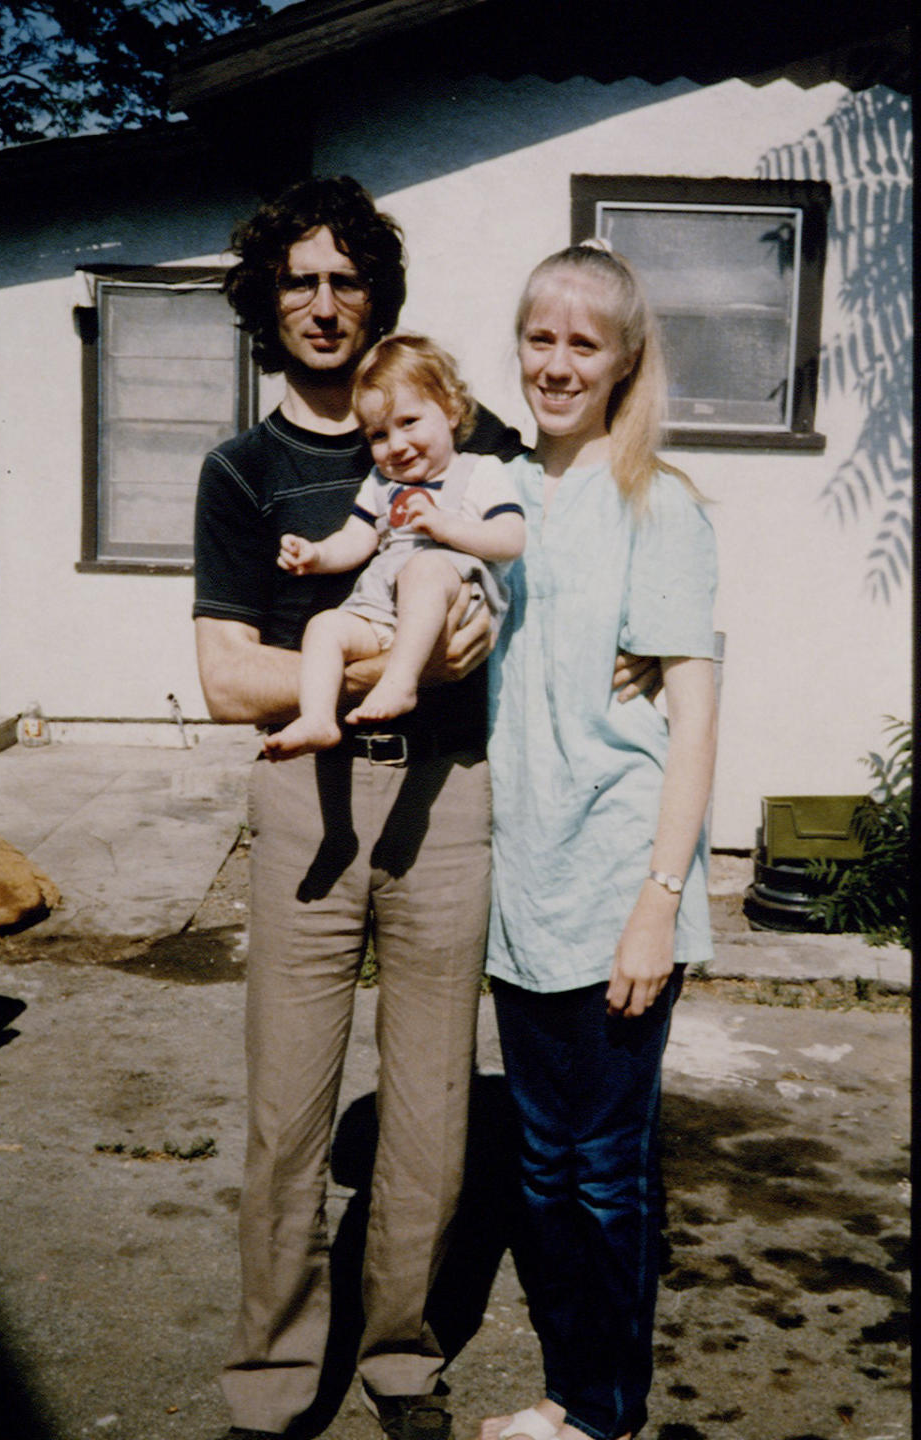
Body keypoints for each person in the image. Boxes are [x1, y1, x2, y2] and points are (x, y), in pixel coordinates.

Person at [193, 175, 657, 1440]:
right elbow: (229, 675)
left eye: (348, 279)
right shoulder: (243, 472)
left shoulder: (462, 433)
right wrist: (386, 659)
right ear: (267, 301)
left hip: (452, 806)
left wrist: (641, 655)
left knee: (434, 1109)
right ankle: (276, 1379)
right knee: (289, 1113)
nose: (326, 303)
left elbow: (561, 561)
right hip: (307, 803)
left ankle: (401, 1358)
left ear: (377, 295)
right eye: (301, 280)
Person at [478, 241, 718, 1440]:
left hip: (621, 885)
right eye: (540, 337)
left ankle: (604, 1414)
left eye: (585, 343)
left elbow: (698, 715)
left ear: (624, 362)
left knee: (602, 1170)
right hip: (524, 890)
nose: (558, 362)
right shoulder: (503, 493)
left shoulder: (658, 502)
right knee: (539, 1165)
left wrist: (659, 898)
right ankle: (568, 1395)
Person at [265, 334, 525, 757]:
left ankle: (400, 684)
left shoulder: (480, 471)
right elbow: (357, 538)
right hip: (384, 609)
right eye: (379, 434)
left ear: (452, 410)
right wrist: (317, 555)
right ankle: (316, 719)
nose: (397, 445)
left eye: (409, 422)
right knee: (324, 626)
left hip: (455, 597)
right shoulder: (382, 484)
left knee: (423, 569)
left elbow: (511, 538)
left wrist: (444, 527)